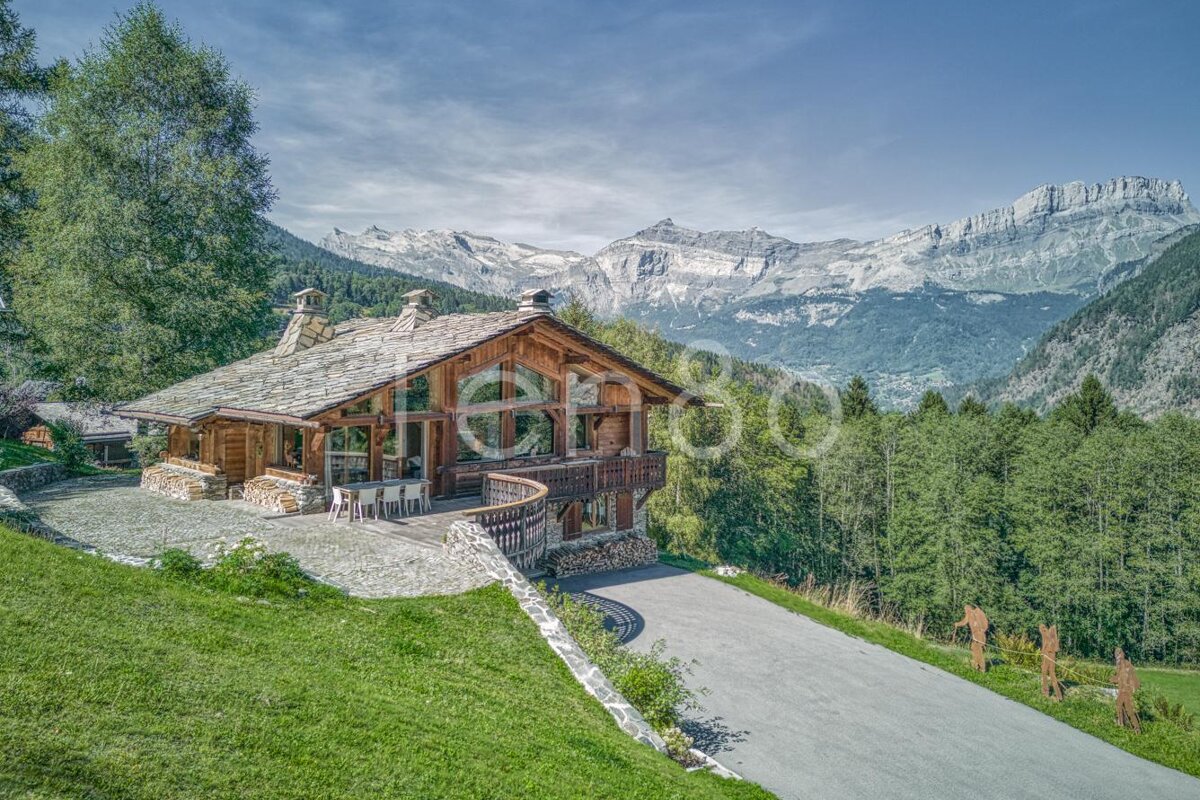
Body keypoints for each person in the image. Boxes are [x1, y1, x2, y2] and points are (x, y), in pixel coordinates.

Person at [1112, 647, 1142, 733]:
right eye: (1116, 655)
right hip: (1123, 690)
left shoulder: (1125, 664)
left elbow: (1123, 678)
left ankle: (1136, 728)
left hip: (1126, 690)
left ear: (1121, 654)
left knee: (1129, 709)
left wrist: (1113, 679)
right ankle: (1121, 724)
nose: (1117, 657)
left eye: (1118, 655)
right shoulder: (1120, 664)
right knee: (1119, 705)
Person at [954, 604, 990, 672]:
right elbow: (964, 621)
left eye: (965, 609)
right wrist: (957, 624)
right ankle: (976, 665)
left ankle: (982, 668)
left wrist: (982, 629)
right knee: (974, 648)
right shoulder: (970, 615)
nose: (965, 611)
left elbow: (985, 623)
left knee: (978, 651)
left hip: (980, 635)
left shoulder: (978, 613)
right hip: (975, 635)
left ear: (969, 609)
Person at [1038, 623, 1063, 701]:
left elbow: (1054, 643)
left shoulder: (1051, 630)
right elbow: (1044, 642)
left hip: (1050, 653)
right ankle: (1045, 692)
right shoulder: (1044, 632)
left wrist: (1051, 649)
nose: (1041, 629)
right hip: (1046, 653)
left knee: (1051, 673)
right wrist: (1043, 651)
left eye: (1042, 628)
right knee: (1044, 671)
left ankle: (1059, 696)